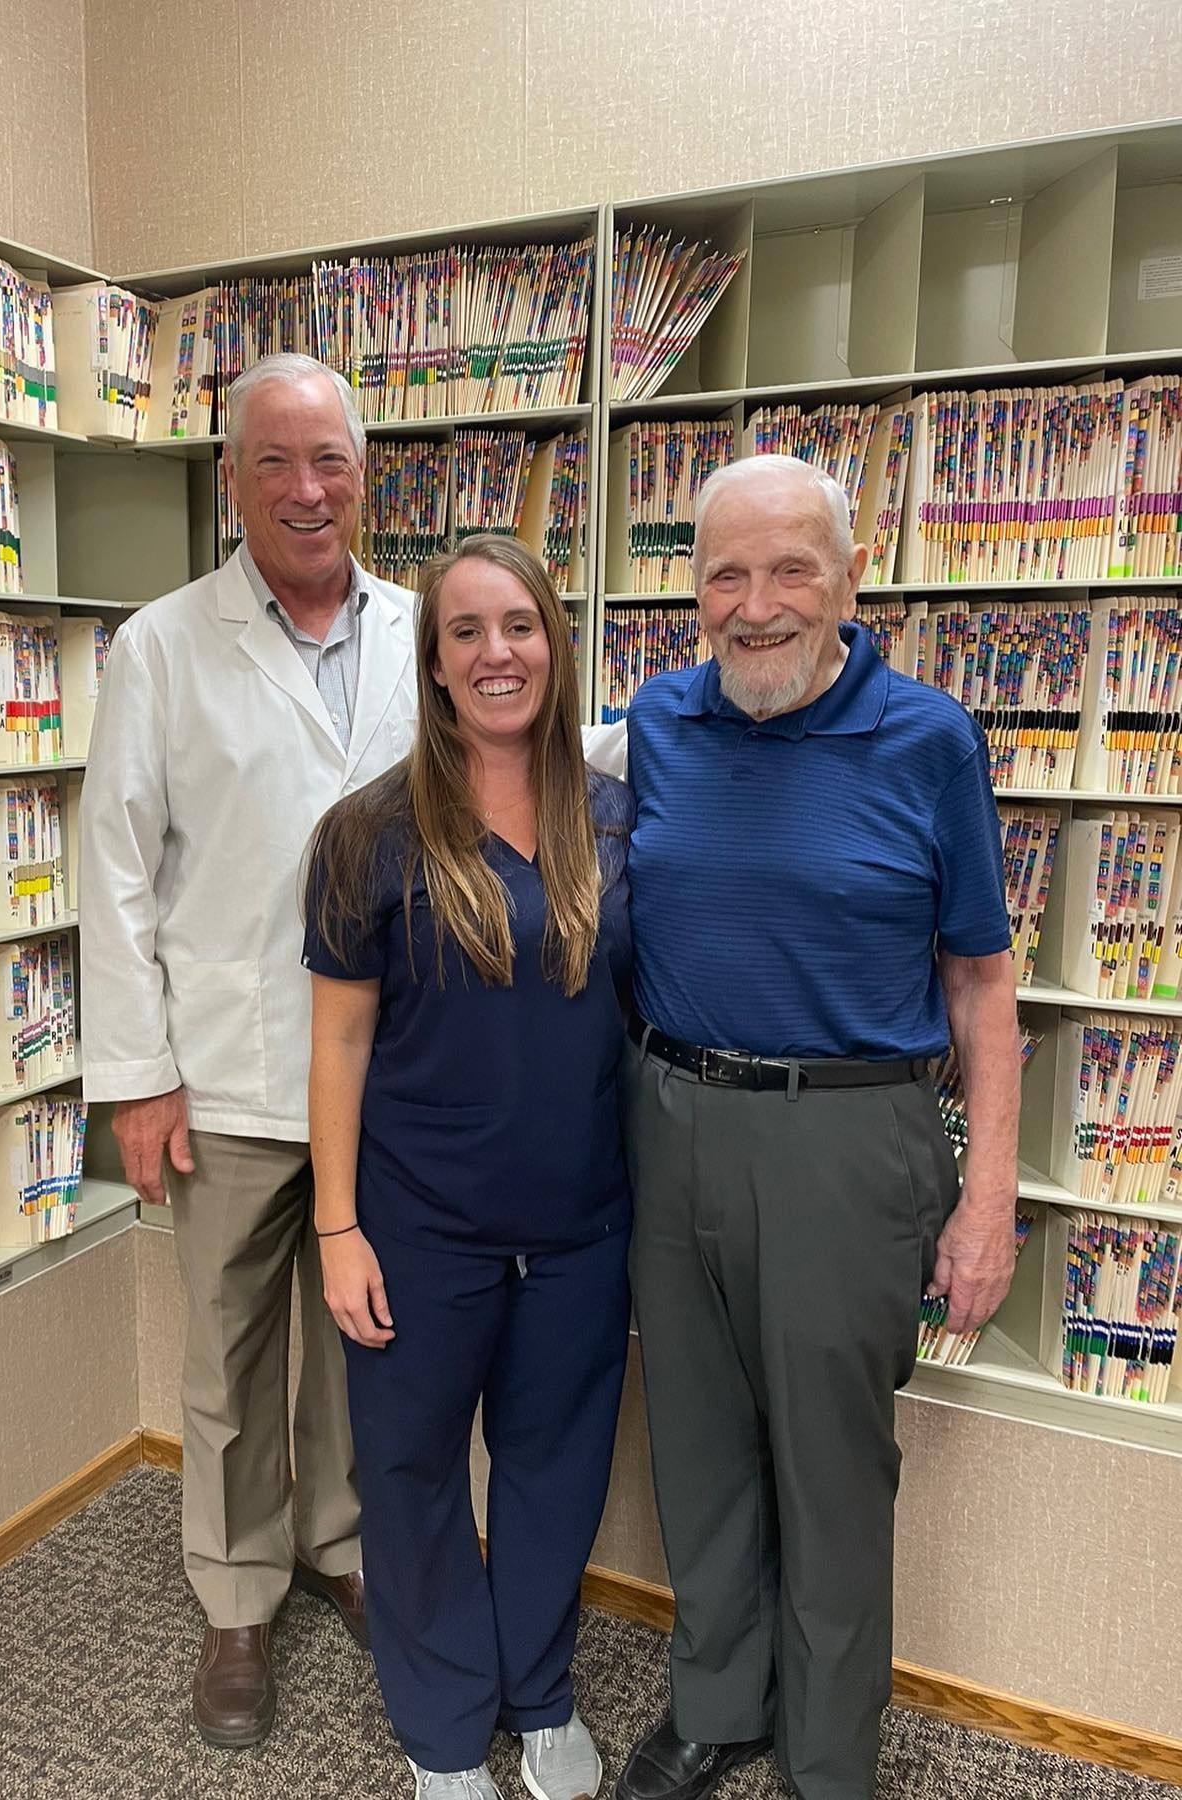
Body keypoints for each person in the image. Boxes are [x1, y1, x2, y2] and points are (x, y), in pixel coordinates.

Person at [608, 456, 1020, 1800]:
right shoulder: (660, 721)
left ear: (852, 576)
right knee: (703, 1445)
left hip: (848, 1140)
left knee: (835, 1475)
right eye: (726, 572)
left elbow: (980, 982)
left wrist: (988, 1201)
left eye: (792, 568)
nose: (758, 603)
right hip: (670, 1124)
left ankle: (832, 1758)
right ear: (693, 591)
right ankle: (719, 1707)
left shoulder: (929, 738)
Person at [79, 352, 419, 1747]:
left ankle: (339, 1547)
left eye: (327, 458)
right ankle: (234, 1595)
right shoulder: (163, 643)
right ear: (229, 482)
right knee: (226, 1349)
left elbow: (532, 756)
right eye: (272, 461)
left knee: (359, 1340)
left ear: (363, 474)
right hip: (222, 1066)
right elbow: (110, 868)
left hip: (393, 1071)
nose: (304, 487)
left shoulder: (423, 629)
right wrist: (139, 1077)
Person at [303, 535, 634, 1800]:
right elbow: (338, 1041)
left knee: (558, 1467)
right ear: (433, 664)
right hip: (417, 1230)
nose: (497, 654)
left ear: (555, 641)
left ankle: (538, 1695)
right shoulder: (364, 838)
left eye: (520, 626)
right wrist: (338, 1227)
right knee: (413, 1473)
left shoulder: (615, 820)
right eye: (466, 634)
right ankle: (444, 1732)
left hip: (581, 1232)